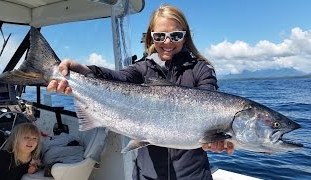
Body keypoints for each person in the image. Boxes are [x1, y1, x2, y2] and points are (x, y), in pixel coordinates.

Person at [47, 5, 234, 180]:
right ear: (152, 37)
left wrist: (217, 139)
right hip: (147, 175)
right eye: (160, 36)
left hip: (193, 175)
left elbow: (211, 107)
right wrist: (83, 71)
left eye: (175, 35)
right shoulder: (142, 69)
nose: (167, 42)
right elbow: (116, 78)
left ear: (185, 37)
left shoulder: (201, 70)